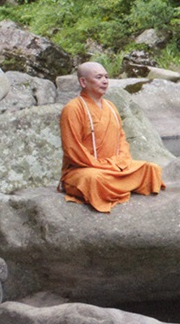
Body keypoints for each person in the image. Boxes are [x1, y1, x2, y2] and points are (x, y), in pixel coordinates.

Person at [59, 61, 164, 212]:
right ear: (83, 81)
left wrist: (120, 161)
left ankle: (118, 184)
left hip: (113, 166)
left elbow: (122, 139)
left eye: (106, 77)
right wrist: (101, 165)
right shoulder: (73, 109)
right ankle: (120, 185)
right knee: (95, 180)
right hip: (85, 169)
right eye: (99, 77)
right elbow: (72, 149)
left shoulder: (110, 106)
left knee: (151, 169)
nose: (105, 81)